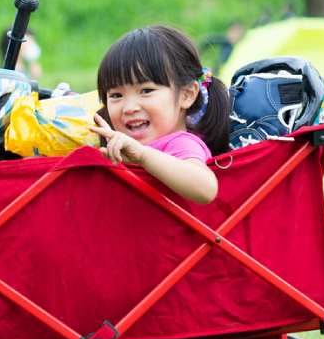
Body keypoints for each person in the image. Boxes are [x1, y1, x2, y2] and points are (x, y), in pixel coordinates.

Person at [88, 24, 231, 204]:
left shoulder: (180, 143)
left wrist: (142, 156)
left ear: (187, 95)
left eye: (146, 90)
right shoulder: (118, 143)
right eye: (116, 95)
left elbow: (206, 189)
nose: (129, 107)